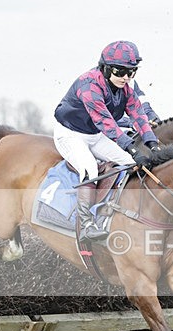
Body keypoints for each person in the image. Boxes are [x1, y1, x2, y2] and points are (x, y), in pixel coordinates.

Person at [53, 40, 160, 242]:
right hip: (70, 135)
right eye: (120, 72)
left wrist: (152, 143)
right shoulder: (89, 85)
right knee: (90, 169)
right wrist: (130, 147)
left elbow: (138, 114)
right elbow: (105, 122)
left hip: (95, 135)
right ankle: (86, 225)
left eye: (131, 72)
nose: (126, 77)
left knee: (131, 164)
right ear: (106, 68)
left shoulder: (126, 88)